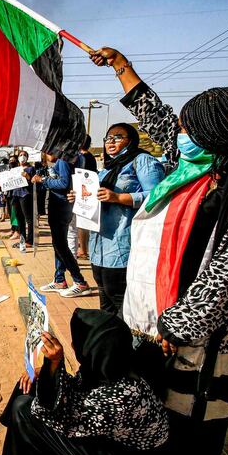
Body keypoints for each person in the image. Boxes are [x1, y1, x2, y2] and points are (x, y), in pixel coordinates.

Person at [92, 46, 228, 455]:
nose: (179, 133)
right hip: (151, 318)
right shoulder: (188, 166)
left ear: (213, 131)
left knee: (193, 403)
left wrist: (178, 324)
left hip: (199, 327)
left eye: (188, 127)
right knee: (151, 396)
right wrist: (122, 67)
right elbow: (157, 116)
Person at [0, 310, 169, 455]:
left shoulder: (124, 393)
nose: (72, 345)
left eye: (78, 341)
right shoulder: (110, 365)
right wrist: (49, 370)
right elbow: (78, 390)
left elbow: (59, 418)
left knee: (25, 409)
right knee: (33, 384)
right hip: (110, 443)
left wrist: (54, 364)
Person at [67, 125, 164, 316]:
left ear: (131, 140)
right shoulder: (108, 168)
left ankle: (126, 343)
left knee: (122, 305)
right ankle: (109, 342)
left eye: (117, 137)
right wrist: (79, 197)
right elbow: (96, 196)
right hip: (99, 247)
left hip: (123, 246)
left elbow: (159, 197)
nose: (110, 142)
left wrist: (120, 198)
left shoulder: (142, 161)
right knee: (106, 304)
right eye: (107, 138)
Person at [32, 152, 93, 298]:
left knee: (60, 245)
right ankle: (59, 279)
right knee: (58, 244)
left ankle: (80, 282)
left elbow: (64, 183)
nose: (46, 154)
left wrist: (43, 180)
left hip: (61, 205)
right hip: (61, 204)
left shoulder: (65, 159)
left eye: (48, 150)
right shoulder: (71, 158)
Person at [76, 141, 99, 259]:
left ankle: (83, 250)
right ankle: (84, 249)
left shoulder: (81, 157)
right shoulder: (90, 156)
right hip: (90, 190)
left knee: (82, 223)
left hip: (83, 192)